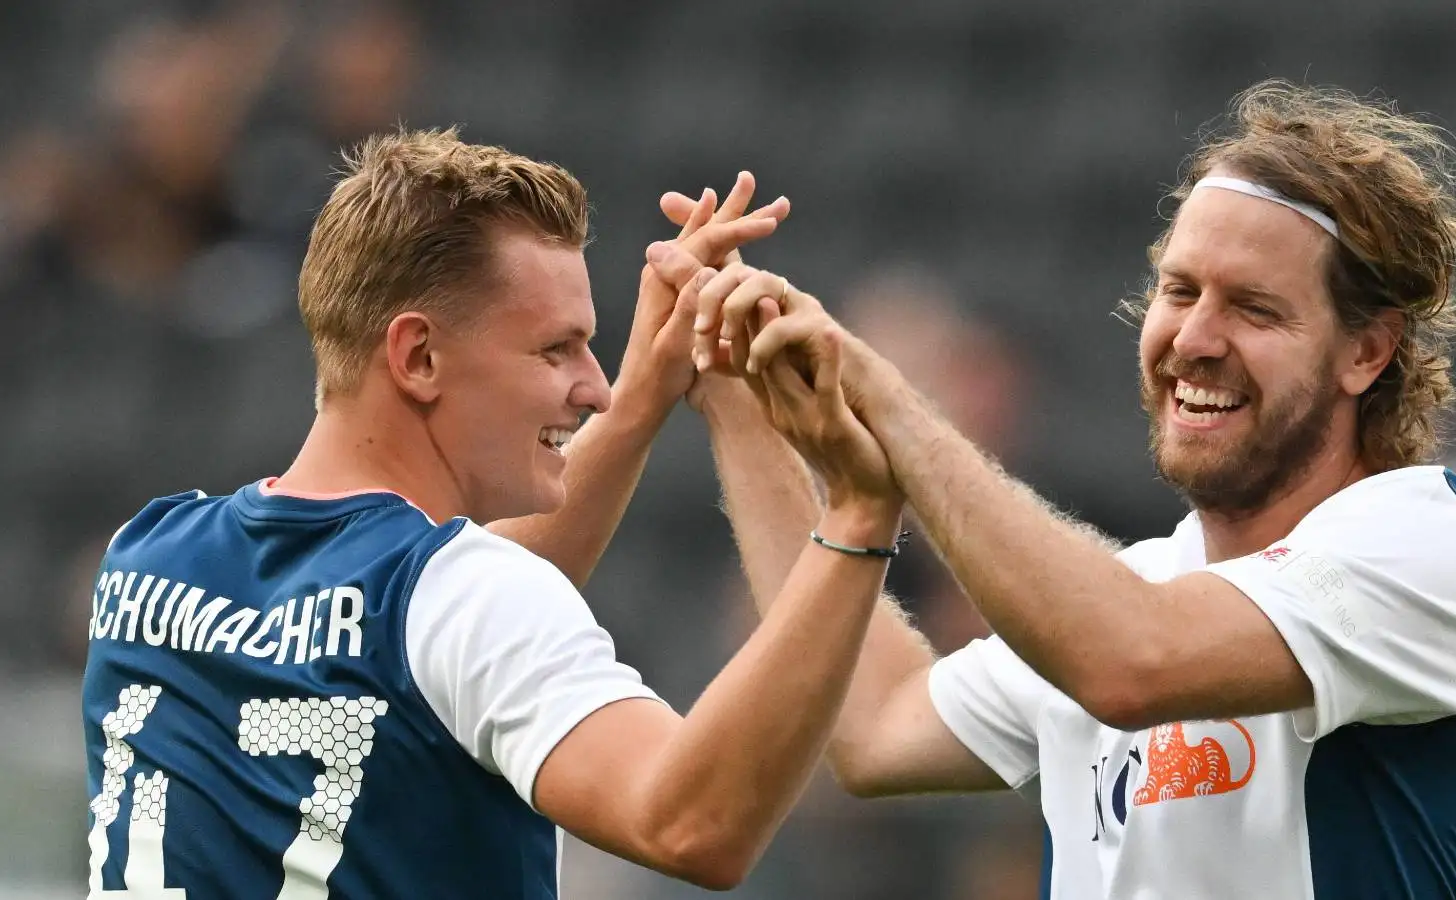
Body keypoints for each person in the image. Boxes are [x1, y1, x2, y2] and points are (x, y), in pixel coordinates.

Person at [650, 80, 1456, 898]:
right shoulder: (1130, 589)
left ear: (1367, 351)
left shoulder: (1422, 541)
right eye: (1180, 292)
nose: (1195, 338)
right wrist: (737, 406)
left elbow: (1129, 662)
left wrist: (885, 397)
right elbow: (872, 727)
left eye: (1255, 309)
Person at [81, 128, 904, 897]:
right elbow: (693, 823)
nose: (596, 387)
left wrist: (651, 386)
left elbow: (453, 648)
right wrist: (859, 519)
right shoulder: (461, 599)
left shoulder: (147, 555)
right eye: (556, 349)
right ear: (420, 356)